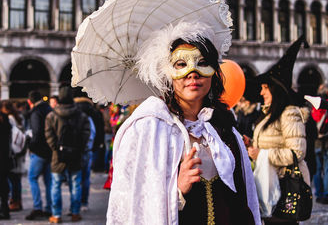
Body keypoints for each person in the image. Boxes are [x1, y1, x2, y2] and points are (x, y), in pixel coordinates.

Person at [106, 21, 260, 225]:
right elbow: (134, 205)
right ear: (168, 73)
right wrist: (177, 189)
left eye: (202, 62)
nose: (193, 73)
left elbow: (242, 196)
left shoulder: (222, 127)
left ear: (214, 72)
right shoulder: (149, 129)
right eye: (181, 64)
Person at [248, 37, 310, 225]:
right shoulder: (268, 115)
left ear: (274, 90)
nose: (261, 92)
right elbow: (269, 144)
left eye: (265, 88)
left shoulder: (289, 113)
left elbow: (297, 152)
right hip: (270, 185)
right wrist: (251, 146)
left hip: (284, 187)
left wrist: (262, 154)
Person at [45, 86, 90, 223]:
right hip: (76, 155)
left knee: (56, 185)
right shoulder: (81, 115)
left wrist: (56, 148)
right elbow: (86, 134)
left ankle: (56, 215)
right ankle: (75, 213)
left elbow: (49, 135)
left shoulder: (52, 115)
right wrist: (79, 148)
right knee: (76, 184)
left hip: (58, 157)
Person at [26, 90, 53, 220]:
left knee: (32, 177)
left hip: (39, 151)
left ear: (30, 101)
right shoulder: (49, 109)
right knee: (48, 181)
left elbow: (36, 133)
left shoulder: (36, 112)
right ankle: (49, 208)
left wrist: (31, 146)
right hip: (50, 150)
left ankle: (37, 207)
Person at [2, 100, 26, 211]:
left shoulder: (10, 119)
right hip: (19, 150)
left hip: (13, 151)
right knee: (17, 179)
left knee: (13, 179)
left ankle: (14, 201)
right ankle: (17, 201)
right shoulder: (19, 117)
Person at [73, 95, 96, 211]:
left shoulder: (77, 119)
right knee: (85, 178)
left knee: (77, 179)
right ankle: (83, 203)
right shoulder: (89, 119)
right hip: (87, 151)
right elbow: (93, 136)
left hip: (80, 151)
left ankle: (77, 204)